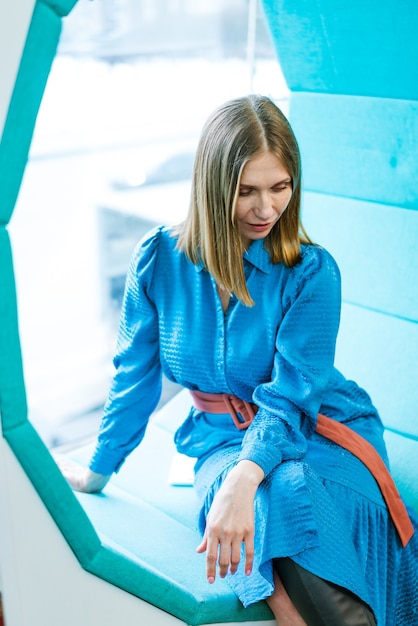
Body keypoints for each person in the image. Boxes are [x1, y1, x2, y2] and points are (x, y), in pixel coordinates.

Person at [59, 95, 418, 625]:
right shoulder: (159, 260)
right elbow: (134, 377)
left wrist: (244, 477)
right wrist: (99, 467)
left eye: (280, 188)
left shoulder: (312, 272)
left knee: (285, 494)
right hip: (219, 439)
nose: (266, 209)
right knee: (274, 504)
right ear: (211, 187)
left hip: (317, 426)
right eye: (246, 191)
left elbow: (292, 398)